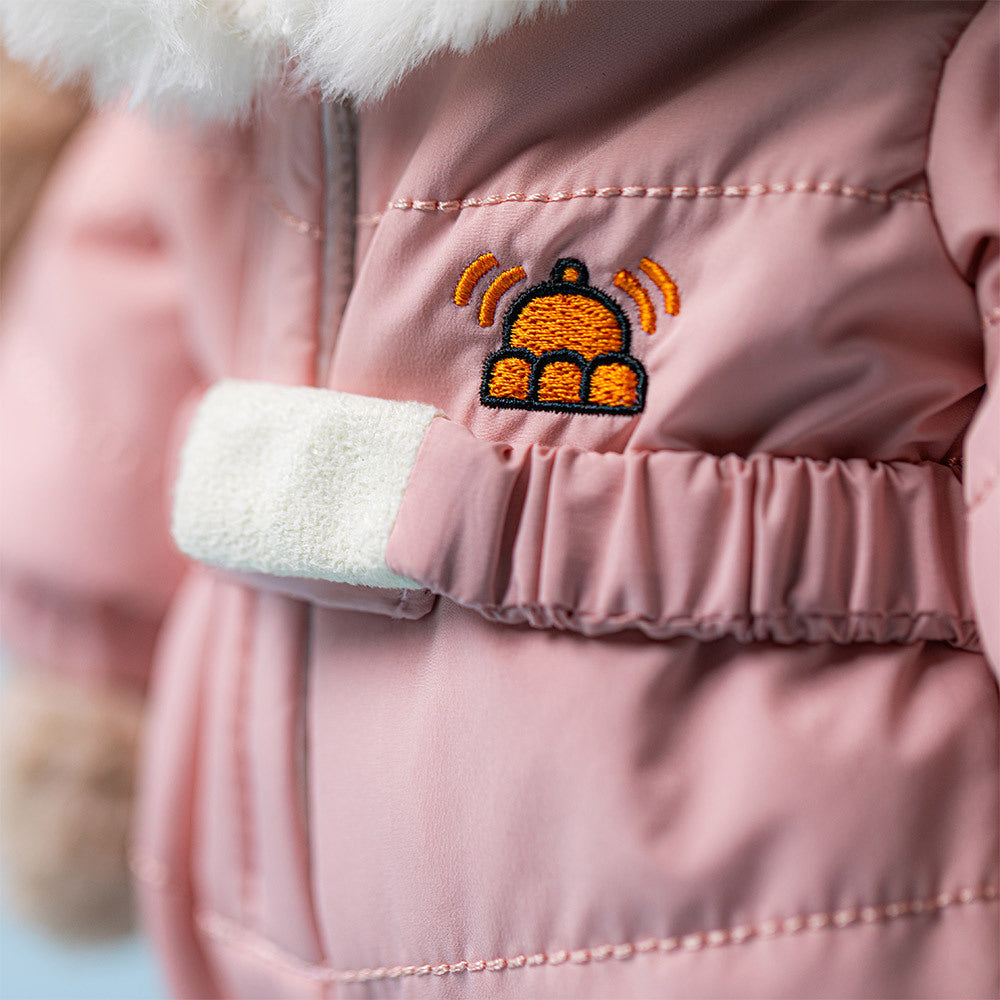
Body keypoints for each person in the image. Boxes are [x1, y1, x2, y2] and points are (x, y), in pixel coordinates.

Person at [0, 2, 997, 996]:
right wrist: (92, 655)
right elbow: (119, 307)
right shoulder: (198, 43)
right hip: (262, 886)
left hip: (813, 896)